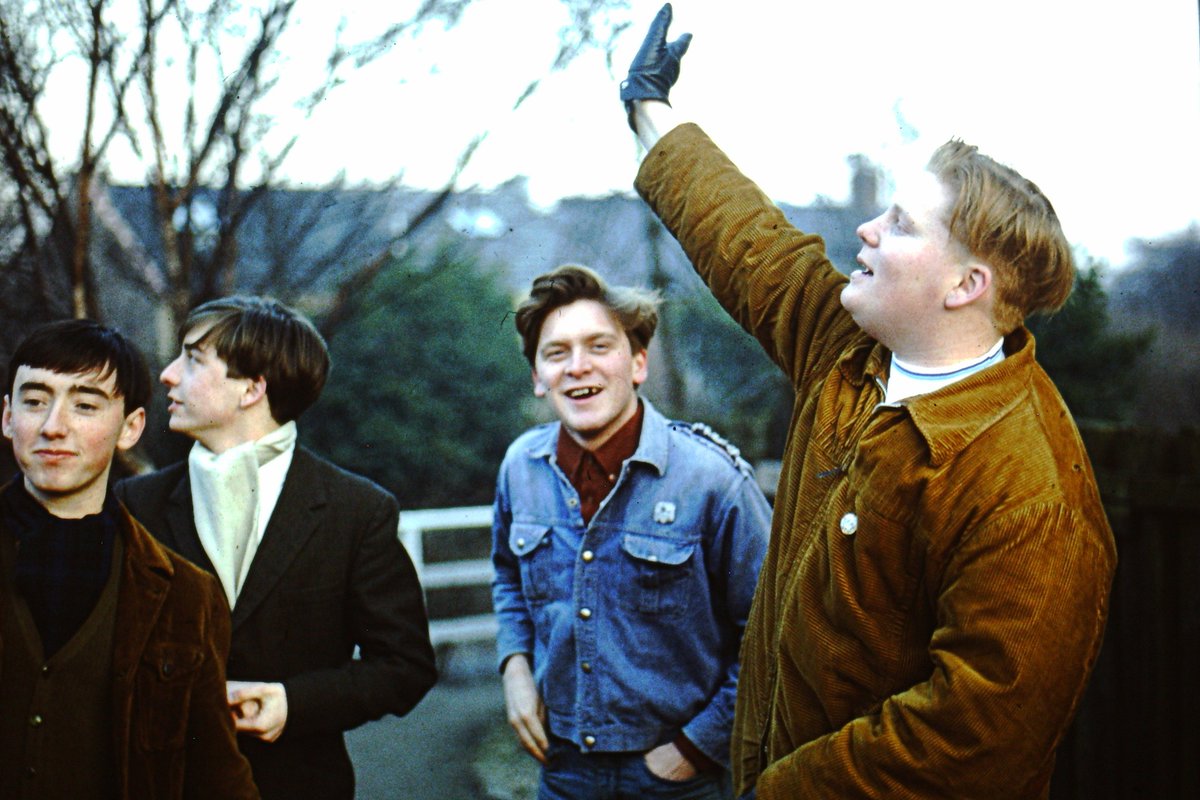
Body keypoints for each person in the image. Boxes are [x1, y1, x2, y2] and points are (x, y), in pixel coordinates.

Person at [616, 5, 1118, 799]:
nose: (867, 230)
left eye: (901, 225)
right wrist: (650, 108)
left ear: (966, 284)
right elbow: (746, 242)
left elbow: (972, 739)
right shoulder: (849, 349)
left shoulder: (1031, 494)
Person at [115, 296, 436, 800]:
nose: (168, 375)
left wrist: (293, 703)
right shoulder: (135, 503)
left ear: (252, 388)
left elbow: (405, 665)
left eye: (193, 360)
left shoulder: (357, 510)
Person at [491, 264, 771, 799]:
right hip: (562, 769)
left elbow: (772, 630)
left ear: (638, 362)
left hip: (677, 776)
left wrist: (692, 750)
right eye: (556, 353)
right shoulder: (519, 468)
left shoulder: (712, 479)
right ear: (538, 377)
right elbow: (508, 577)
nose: (578, 366)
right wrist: (515, 668)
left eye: (599, 346)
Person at [0, 319, 259, 799]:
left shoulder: (185, 594)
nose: (53, 426)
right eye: (35, 401)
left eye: (85, 405)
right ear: (7, 417)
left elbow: (218, 776)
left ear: (130, 427)